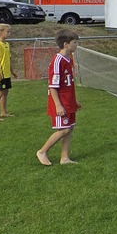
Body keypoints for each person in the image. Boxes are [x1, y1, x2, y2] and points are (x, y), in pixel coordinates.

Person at [36, 29, 81, 166]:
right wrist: (58, 105)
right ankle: (42, 151)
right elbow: (53, 86)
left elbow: (67, 83)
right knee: (64, 129)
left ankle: (64, 158)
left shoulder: (69, 58)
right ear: (66, 44)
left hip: (68, 100)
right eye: (75, 42)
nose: (77, 45)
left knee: (70, 128)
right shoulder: (58, 61)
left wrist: (74, 101)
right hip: (60, 101)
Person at [0, 23, 17, 122]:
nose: (9, 33)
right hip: (0, 74)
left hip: (6, 73)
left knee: (5, 92)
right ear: (1, 32)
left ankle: (3, 112)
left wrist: (12, 71)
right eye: (7, 31)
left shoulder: (6, 44)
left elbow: (8, 59)